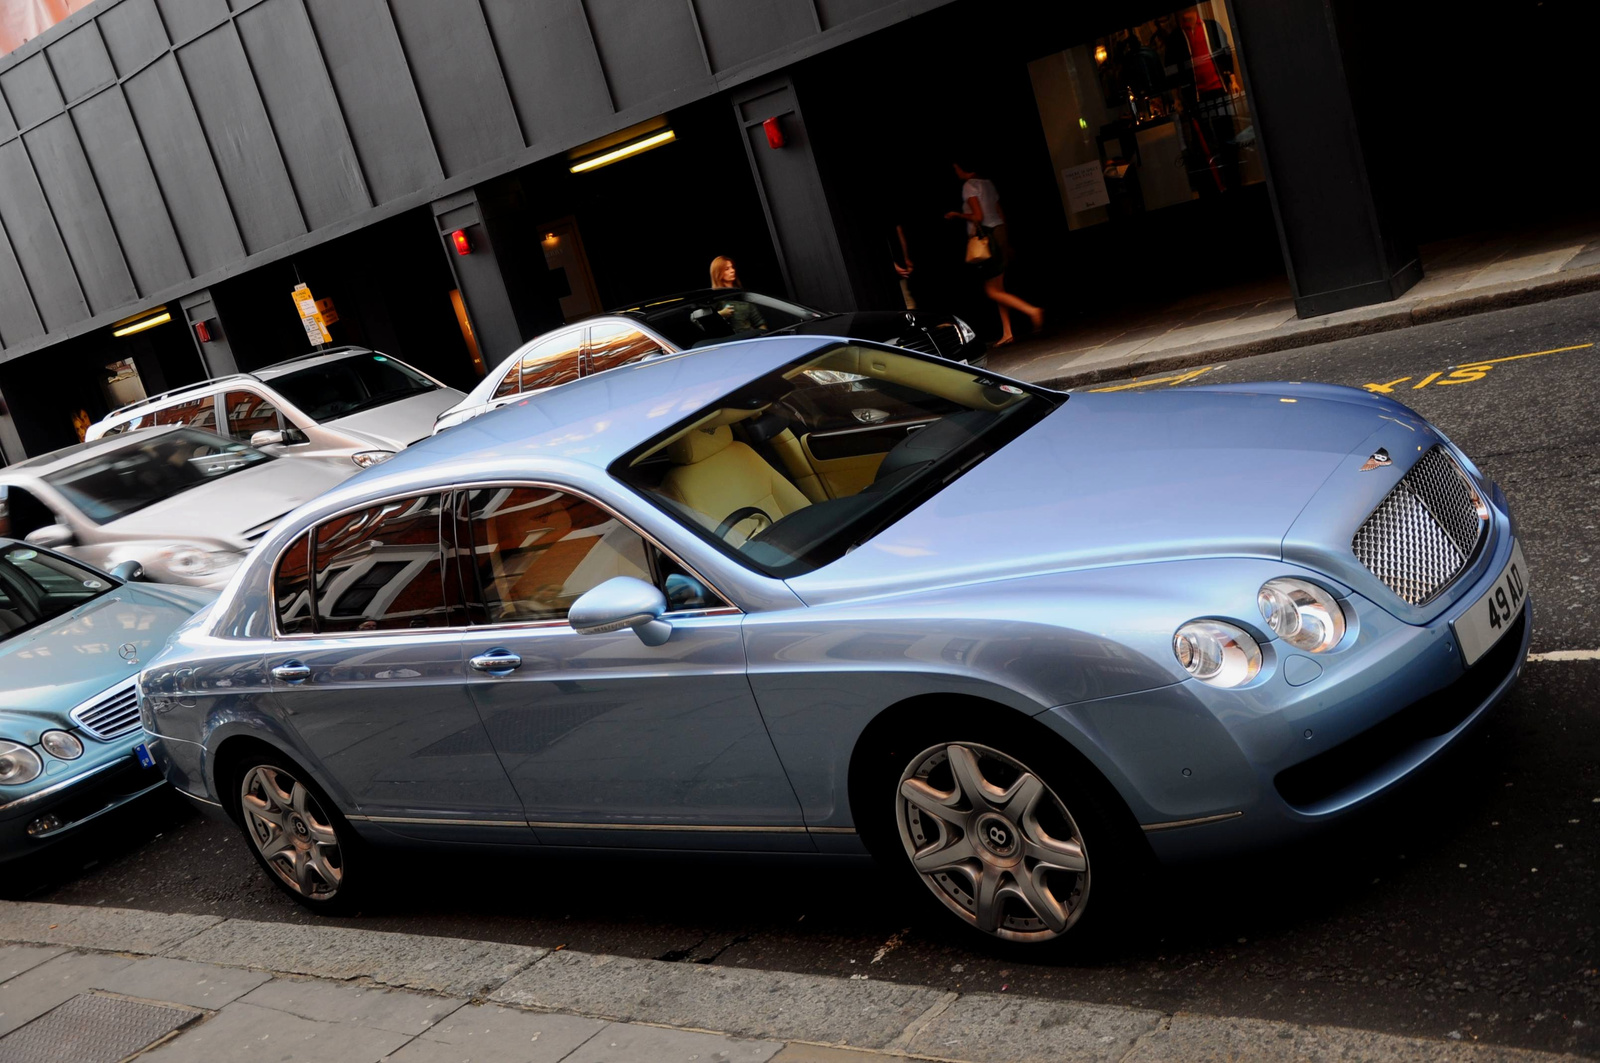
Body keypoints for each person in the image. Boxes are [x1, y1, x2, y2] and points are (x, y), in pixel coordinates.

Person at [944, 161, 1042, 346]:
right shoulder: (988, 183)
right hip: (1000, 231)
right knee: (999, 288)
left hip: (988, 237)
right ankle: (1007, 332)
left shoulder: (969, 186)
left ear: (965, 168)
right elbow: (1001, 214)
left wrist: (957, 215)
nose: (955, 171)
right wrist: (1007, 242)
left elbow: (978, 217)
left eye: (956, 167)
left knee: (991, 291)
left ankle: (1031, 311)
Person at [707, 255, 767, 333]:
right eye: (727, 269)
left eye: (732, 267)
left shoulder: (742, 296)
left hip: (750, 339)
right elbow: (700, 321)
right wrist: (721, 314)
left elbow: (760, 323)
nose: (732, 271)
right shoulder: (714, 299)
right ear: (718, 273)